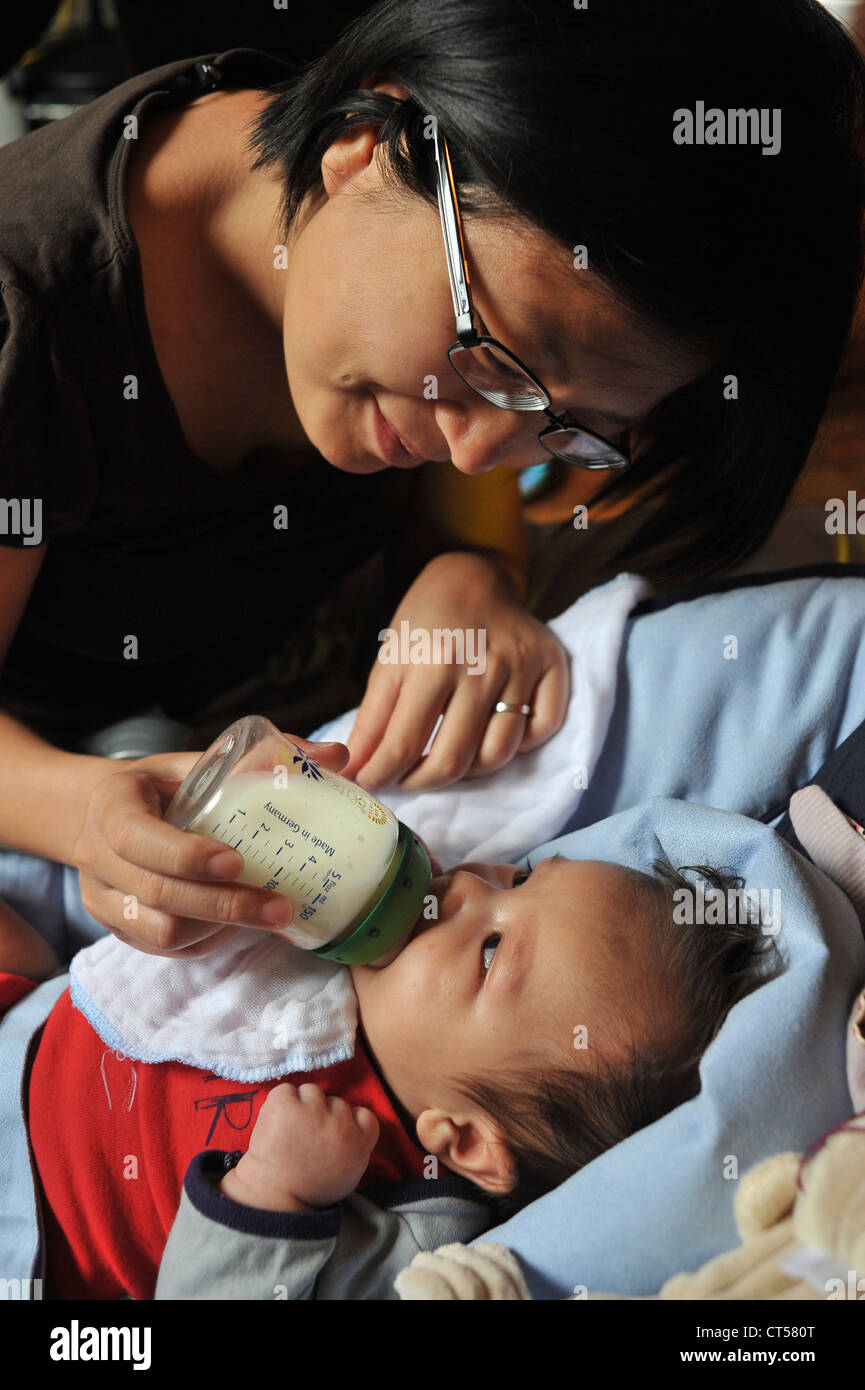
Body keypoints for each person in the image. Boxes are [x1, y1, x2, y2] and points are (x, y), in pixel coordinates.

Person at [0, 0, 862, 960]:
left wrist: (472, 566)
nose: (477, 452)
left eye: (569, 429)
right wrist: (84, 812)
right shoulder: (31, 320)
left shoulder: (382, 242)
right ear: (366, 142)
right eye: (492, 361)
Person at [0, 831, 776, 1298]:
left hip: (25, 1226)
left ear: (465, 1141)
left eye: (492, 946)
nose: (471, 882)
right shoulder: (355, 938)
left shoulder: (415, 1230)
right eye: (524, 876)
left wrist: (275, 1194)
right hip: (27, 1019)